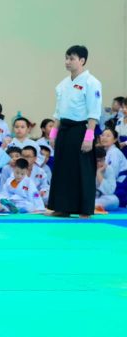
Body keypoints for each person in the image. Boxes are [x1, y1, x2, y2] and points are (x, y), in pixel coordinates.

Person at [48, 45, 102, 218]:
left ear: (82, 61)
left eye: (71, 58)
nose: (67, 62)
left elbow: (94, 113)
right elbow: (58, 112)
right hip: (64, 129)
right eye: (66, 58)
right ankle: (62, 207)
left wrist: (89, 137)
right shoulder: (62, 85)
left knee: (83, 170)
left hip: (81, 130)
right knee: (62, 169)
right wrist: (53, 134)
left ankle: (85, 210)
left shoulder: (92, 83)